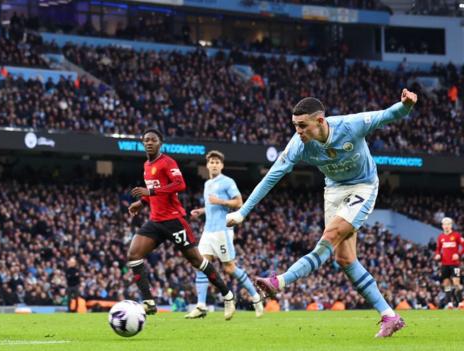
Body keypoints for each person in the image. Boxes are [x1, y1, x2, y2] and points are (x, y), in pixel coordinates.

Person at [226, 89, 418, 337]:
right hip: (333, 190)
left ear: (319, 121)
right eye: (295, 125)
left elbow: (386, 115)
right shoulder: (298, 144)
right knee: (345, 260)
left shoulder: (350, 125)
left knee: (330, 235)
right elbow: (272, 176)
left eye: (302, 125)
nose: (298, 131)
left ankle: (279, 281)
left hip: (363, 186)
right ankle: (390, 316)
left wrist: (405, 106)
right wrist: (243, 212)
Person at [127, 129, 236, 320]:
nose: (149, 143)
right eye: (146, 140)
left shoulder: (167, 162)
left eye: (153, 140)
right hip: (155, 220)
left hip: (173, 220)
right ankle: (149, 302)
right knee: (134, 254)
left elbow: (179, 184)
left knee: (198, 261)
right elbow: (156, 191)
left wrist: (149, 193)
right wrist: (142, 202)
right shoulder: (146, 165)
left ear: (160, 143)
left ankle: (228, 295)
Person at [185, 150, 264, 319]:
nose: (214, 164)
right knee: (201, 265)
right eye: (211, 162)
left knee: (229, 268)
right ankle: (201, 305)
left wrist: (219, 201)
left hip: (222, 231)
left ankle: (256, 298)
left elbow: (239, 202)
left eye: (217, 162)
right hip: (208, 231)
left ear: (221, 165)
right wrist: (202, 210)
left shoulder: (228, 182)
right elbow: (212, 207)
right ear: (207, 165)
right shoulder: (207, 184)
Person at [434, 217, 464, 308]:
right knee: (446, 284)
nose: (446, 226)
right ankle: (449, 303)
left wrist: (458, 254)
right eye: (445, 224)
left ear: (451, 225)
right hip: (444, 264)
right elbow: (438, 249)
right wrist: (438, 254)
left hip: (455, 264)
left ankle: (460, 302)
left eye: (448, 224)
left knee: (456, 283)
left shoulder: (456, 235)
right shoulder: (440, 237)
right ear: (442, 226)